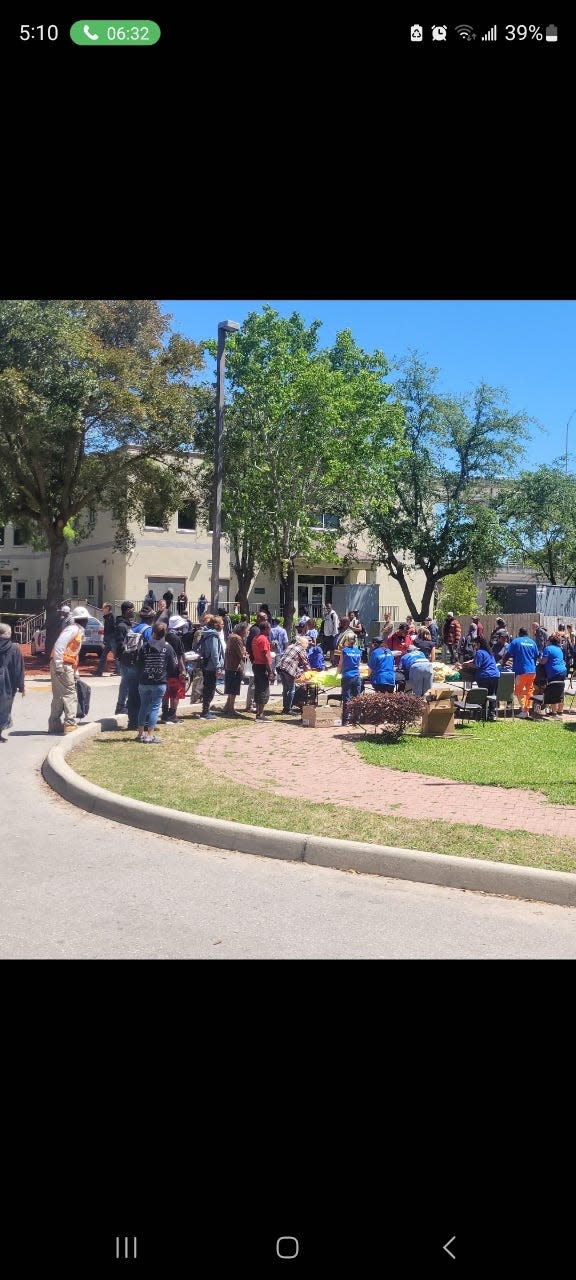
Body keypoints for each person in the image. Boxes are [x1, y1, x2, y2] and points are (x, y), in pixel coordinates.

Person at [135, 621, 178, 743]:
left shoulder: (145, 646)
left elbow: (139, 664)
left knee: (143, 706)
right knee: (154, 708)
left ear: (153, 633)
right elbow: (173, 666)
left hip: (144, 681)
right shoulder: (168, 647)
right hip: (159, 682)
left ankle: (140, 733)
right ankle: (150, 735)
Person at [48, 606, 89, 734]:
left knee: (59, 695)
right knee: (70, 694)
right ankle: (70, 724)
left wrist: (75, 671)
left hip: (63, 664)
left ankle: (54, 724)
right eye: (85, 619)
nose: (86, 621)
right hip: (62, 664)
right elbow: (59, 645)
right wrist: (59, 665)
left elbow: (73, 653)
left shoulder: (76, 630)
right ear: (83, 620)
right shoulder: (73, 629)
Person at [500, 627, 540, 718]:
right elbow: (537, 656)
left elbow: (508, 654)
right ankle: (527, 709)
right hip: (532, 671)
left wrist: (502, 663)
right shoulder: (532, 642)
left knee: (518, 691)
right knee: (529, 691)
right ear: (527, 634)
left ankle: (524, 711)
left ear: (519, 633)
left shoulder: (516, 641)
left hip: (521, 671)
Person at [457, 639, 500, 721]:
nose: (474, 646)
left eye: (475, 644)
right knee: (492, 695)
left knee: (483, 695)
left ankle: (482, 714)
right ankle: (491, 714)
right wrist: (467, 662)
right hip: (495, 675)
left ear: (478, 644)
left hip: (484, 676)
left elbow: (476, 665)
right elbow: (476, 660)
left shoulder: (479, 652)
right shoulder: (488, 652)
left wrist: (467, 665)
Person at [114, 601, 140, 729]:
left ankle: (124, 705)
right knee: (125, 682)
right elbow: (119, 643)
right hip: (124, 658)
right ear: (126, 610)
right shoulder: (121, 626)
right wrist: (124, 652)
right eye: (131, 610)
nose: (133, 612)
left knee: (128, 683)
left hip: (129, 658)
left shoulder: (128, 625)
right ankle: (120, 706)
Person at [0, 622, 25, 743]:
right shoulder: (14, 648)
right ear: (8, 634)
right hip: (7, 684)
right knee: (4, 709)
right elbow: (18, 668)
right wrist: (21, 686)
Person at [197, 613, 225, 720]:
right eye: (221, 624)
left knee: (208, 688)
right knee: (210, 689)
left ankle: (205, 710)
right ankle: (205, 712)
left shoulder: (208, 634)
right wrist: (218, 667)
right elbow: (214, 653)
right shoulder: (213, 636)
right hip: (211, 666)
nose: (223, 625)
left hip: (207, 665)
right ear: (216, 625)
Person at [160, 616, 188, 723]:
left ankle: (164, 714)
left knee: (165, 693)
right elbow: (180, 655)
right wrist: (183, 670)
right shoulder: (176, 639)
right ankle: (172, 714)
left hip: (163, 669)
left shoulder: (163, 636)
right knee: (176, 692)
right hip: (175, 669)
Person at [536, 631, 568, 717]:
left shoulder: (548, 648)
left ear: (549, 641)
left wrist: (538, 659)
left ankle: (554, 712)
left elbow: (544, 661)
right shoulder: (559, 649)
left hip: (554, 672)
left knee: (554, 690)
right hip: (563, 671)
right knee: (560, 689)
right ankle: (560, 711)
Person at [276, 636, 310, 713]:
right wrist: (309, 672)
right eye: (307, 643)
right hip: (288, 669)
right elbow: (305, 663)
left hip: (280, 667)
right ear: (304, 643)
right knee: (291, 689)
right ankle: (287, 709)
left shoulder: (291, 646)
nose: (307, 645)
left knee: (285, 689)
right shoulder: (301, 649)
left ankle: (285, 707)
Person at [244, 611, 269, 711]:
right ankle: (251, 704)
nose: (266, 621)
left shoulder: (258, 630)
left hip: (256, 660)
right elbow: (251, 646)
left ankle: (254, 704)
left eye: (267, 619)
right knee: (254, 683)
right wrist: (254, 658)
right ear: (259, 619)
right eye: (264, 619)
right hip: (255, 660)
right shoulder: (256, 630)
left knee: (255, 683)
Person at [336, 635, 363, 726]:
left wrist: (336, 674)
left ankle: (346, 720)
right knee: (357, 698)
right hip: (356, 676)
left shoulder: (344, 651)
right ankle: (356, 719)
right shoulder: (359, 651)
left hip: (347, 676)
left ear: (347, 641)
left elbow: (340, 664)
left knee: (347, 699)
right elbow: (358, 665)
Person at [223, 622, 248, 715]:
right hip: (235, 666)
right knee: (233, 689)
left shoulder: (231, 636)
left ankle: (227, 706)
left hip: (229, 665)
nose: (247, 632)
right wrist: (246, 653)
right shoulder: (237, 638)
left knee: (230, 688)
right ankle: (231, 709)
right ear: (242, 630)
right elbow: (242, 655)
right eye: (246, 630)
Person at [251, 621, 273, 721]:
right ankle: (260, 714)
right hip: (262, 666)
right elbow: (264, 656)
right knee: (263, 690)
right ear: (265, 629)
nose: (270, 630)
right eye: (269, 628)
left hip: (256, 665)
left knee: (258, 689)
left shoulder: (255, 638)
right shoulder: (263, 639)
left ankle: (259, 713)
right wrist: (270, 670)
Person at [94, 602, 121, 676]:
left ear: (107, 608)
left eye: (103, 608)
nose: (102, 610)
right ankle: (99, 671)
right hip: (109, 639)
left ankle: (119, 671)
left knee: (116, 655)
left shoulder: (112, 617)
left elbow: (114, 628)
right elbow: (106, 629)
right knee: (103, 655)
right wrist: (105, 638)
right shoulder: (107, 617)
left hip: (113, 639)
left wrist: (113, 638)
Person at [269, 617, 288, 681]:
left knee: (272, 665)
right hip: (280, 651)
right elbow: (285, 642)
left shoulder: (270, 630)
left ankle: (272, 679)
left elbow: (268, 640)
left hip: (272, 650)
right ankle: (279, 680)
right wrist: (285, 651)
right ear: (280, 622)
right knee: (279, 666)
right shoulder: (283, 630)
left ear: (274, 622)